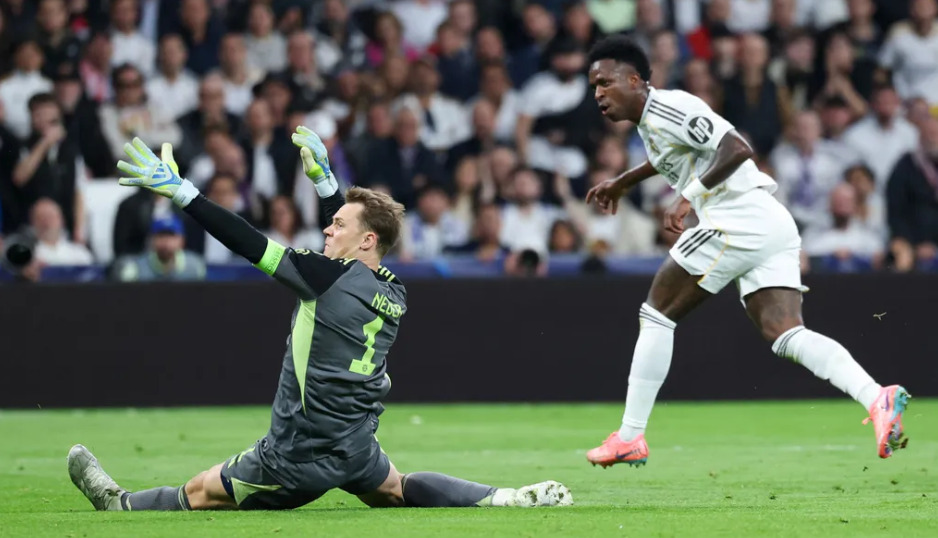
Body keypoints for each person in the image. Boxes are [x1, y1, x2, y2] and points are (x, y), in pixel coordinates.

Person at [66, 129, 572, 511]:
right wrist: (329, 186)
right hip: (354, 448)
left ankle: (120, 502)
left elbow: (248, 242)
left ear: (366, 240)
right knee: (396, 489)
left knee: (198, 492)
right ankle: (502, 498)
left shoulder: (322, 277)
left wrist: (186, 197)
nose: (327, 227)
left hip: (293, 458)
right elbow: (354, 251)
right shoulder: (393, 288)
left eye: (337, 224)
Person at [582, 35, 909, 468]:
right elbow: (672, 156)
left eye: (605, 82)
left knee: (656, 312)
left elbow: (737, 147)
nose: (599, 94)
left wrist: (688, 197)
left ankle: (629, 437)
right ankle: (877, 397)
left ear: (635, 79)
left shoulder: (671, 106)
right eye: (593, 88)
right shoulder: (651, 121)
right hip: (770, 222)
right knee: (785, 333)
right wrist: (623, 181)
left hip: (735, 217)